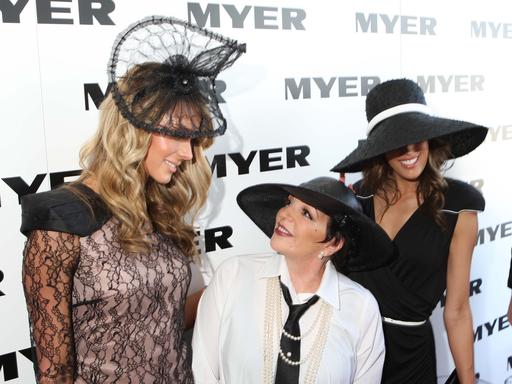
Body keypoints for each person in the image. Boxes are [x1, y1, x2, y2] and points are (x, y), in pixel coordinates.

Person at [20, 16, 245, 383]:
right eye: (178, 135)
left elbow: (159, 317)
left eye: (194, 140)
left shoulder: (159, 208)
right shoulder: (62, 222)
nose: (189, 154)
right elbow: (54, 373)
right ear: (135, 128)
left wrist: (234, 287)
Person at [330, 78, 488, 384]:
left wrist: (468, 381)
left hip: (413, 360)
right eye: (397, 141)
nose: (410, 150)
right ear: (380, 148)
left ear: (431, 138)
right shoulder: (355, 199)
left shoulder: (459, 206)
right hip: (350, 351)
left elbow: (456, 310)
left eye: (418, 137)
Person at [192, 176, 396, 384]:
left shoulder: (361, 308)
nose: (285, 214)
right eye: (289, 203)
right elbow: (203, 372)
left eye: (306, 214)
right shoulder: (232, 276)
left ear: (333, 243)